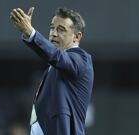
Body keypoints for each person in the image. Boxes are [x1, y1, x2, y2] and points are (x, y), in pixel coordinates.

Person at [10, 7, 94, 135]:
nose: (53, 33)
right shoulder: (54, 68)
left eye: (61, 30)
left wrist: (31, 33)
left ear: (76, 37)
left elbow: (56, 56)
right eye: (52, 28)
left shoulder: (82, 60)